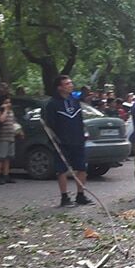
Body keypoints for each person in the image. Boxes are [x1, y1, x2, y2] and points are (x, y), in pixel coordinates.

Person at [44, 75, 94, 207]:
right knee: (61, 170)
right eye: (67, 84)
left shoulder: (75, 100)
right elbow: (50, 124)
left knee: (82, 168)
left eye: (71, 83)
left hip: (78, 140)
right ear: (60, 87)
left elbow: (79, 119)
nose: (70, 85)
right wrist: (56, 139)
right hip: (62, 142)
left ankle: (80, 195)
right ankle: (64, 197)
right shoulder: (52, 104)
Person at [0, 96, 20, 184]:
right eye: (6, 102)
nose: (8, 104)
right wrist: (5, 110)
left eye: (9, 102)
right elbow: (1, 120)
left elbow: (14, 122)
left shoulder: (11, 112)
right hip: (2, 138)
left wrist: (19, 130)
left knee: (8, 157)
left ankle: (6, 175)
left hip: (10, 137)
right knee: (0, 157)